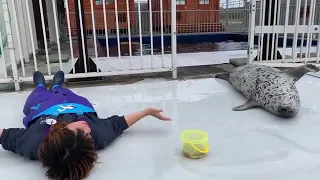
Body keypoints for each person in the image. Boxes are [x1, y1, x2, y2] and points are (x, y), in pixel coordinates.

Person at [0, 71, 171, 180]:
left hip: (43, 107)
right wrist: (146, 112)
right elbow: (119, 123)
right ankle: (58, 85)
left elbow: (3, 135)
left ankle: (40, 85)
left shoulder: (31, 143)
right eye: (88, 136)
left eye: (80, 131)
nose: (87, 128)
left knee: (37, 95)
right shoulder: (99, 134)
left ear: (61, 131)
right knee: (64, 92)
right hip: (76, 104)